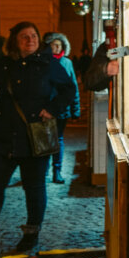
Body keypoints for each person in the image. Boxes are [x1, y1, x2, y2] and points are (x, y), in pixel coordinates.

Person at [0, 21, 76, 252]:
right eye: (24, 37)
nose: (30, 40)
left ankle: (32, 233)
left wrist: (52, 109)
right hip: (5, 136)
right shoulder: (3, 65)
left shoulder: (48, 63)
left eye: (34, 36)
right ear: (14, 41)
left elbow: (68, 89)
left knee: (34, 186)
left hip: (34, 136)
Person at [43, 32, 81, 184]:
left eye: (59, 45)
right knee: (44, 139)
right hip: (45, 108)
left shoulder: (67, 63)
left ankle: (56, 170)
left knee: (58, 139)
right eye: (54, 44)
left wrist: (75, 109)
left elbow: (74, 87)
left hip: (62, 110)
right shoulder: (44, 62)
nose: (57, 47)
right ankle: (44, 169)